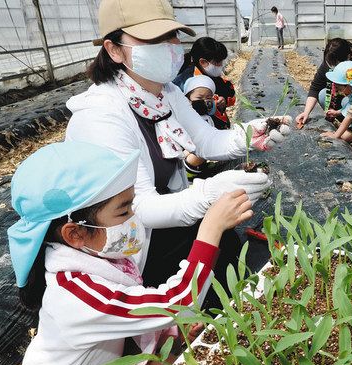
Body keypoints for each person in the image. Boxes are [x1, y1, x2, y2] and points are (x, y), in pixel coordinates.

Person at [8, 141, 253, 365]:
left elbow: (148, 312)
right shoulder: (76, 294)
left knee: (165, 358)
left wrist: (170, 332)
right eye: (123, 211)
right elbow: (175, 302)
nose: (133, 220)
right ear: (75, 233)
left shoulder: (94, 259)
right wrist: (210, 230)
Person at [65, 0, 290, 290]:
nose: (170, 45)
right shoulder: (101, 116)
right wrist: (209, 193)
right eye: (153, 38)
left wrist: (251, 133)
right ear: (114, 49)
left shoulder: (164, 92)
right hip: (133, 242)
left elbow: (206, 140)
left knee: (228, 254)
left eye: (172, 35)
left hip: (168, 216)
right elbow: (141, 208)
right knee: (203, 270)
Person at [173, 37, 235, 131]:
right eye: (218, 62)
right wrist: (211, 104)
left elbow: (229, 92)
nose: (221, 65)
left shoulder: (211, 76)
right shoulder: (186, 81)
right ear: (203, 62)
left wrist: (224, 101)